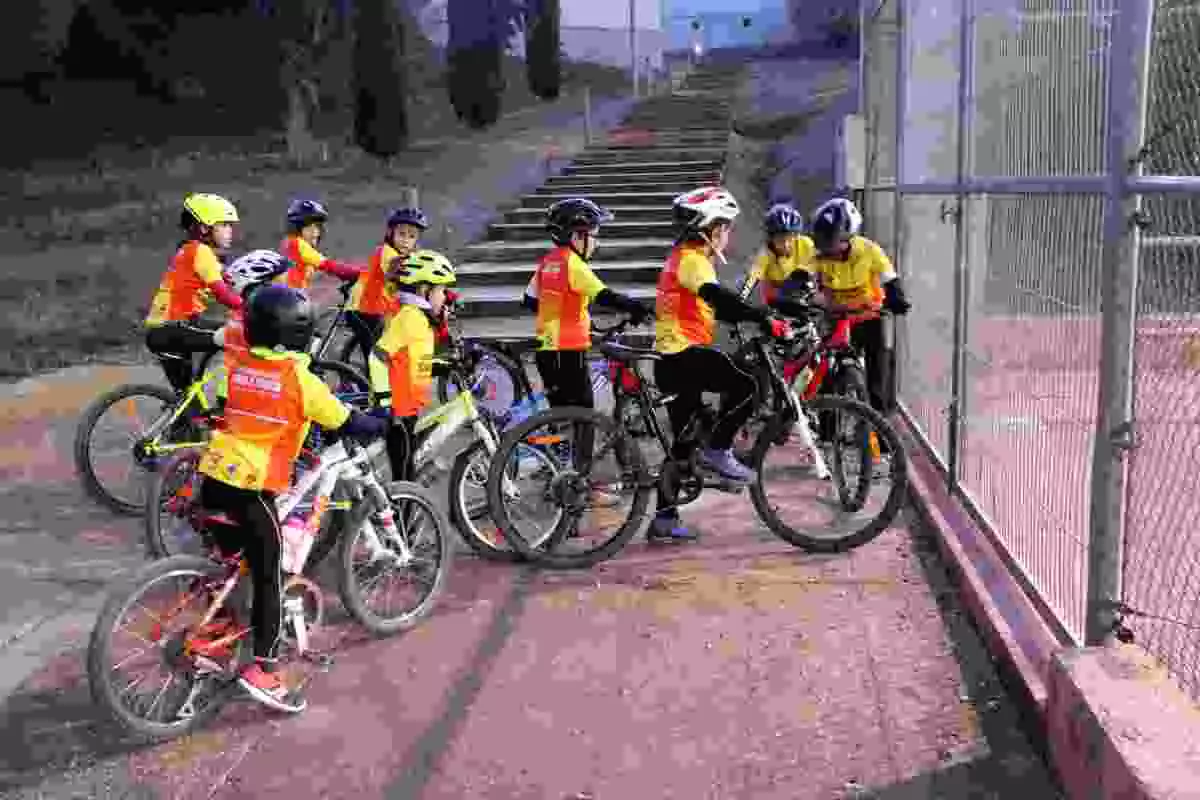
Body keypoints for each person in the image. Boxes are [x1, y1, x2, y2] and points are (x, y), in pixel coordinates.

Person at [194, 285, 387, 713]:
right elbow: (345, 420)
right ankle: (264, 671)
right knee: (268, 578)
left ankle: (212, 643)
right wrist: (380, 421)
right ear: (298, 333)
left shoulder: (239, 363)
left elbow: (223, 405)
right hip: (251, 487)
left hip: (212, 479)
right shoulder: (301, 381)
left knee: (231, 568)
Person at [650, 186, 790, 543]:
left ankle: (664, 519)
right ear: (709, 230)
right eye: (725, 227)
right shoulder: (693, 259)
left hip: (674, 356)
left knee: (683, 444)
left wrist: (746, 316)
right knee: (749, 384)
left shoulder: (686, 257)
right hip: (681, 355)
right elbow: (718, 298)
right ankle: (718, 450)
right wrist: (762, 319)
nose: (728, 234)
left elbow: (710, 304)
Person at [522, 198, 651, 415]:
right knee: (584, 415)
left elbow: (530, 300)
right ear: (576, 236)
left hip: (546, 350)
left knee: (560, 412)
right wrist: (638, 308)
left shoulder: (548, 262)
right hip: (569, 352)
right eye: (594, 236)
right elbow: (605, 296)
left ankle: (562, 447)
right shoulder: (574, 265)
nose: (596, 243)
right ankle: (580, 450)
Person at [805, 197, 911, 414]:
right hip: (835, 318)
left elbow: (889, 277)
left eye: (829, 240)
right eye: (820, 239)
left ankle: (883, 440)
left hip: (869, 317)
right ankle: (827, 434)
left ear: (847, 237)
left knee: (879, 377)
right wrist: (795, 290)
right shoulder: (817, 255)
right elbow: (802, 274)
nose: (823, 246)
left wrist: (896, 296)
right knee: (827, 374)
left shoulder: (869, 250)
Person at [368, 249, 457, 483]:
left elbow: (414, 360)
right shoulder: (410, 318)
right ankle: (400, 514)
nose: (445, 297)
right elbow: (377, 356)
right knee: (404, 473)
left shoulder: (422, 319)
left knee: (408, 467)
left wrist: (442, 366)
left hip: (409, 408)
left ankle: (404, 509)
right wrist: (385, 403)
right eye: (440, 290)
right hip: (398, 411)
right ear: (423, 290)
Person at [144, 193, 245, 394]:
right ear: (204, 228)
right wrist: (253, 307)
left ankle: (185, 422)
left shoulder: (193, 252)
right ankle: (227, 397)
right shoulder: (201, 252)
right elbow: (223, 295)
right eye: (224, 225)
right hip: (173, 327)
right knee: (240, 336)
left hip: (165, 329)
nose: (230, 231)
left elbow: (228, 281)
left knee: (188, 399)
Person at [345, 206, 429, 366]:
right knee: (376, 361)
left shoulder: (407, 256)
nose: (405, 239)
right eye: (401, 234)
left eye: (411, 236)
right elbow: (402, 273)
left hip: (379, 310)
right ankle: (368, 389)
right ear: (391, 233)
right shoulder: (386, 252)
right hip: (363, 311)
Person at [214, 249, 293, 404]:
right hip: (242, 395)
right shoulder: (249, 319)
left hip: (248, 389)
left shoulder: (252, 313)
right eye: (279, 283)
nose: (286, 289)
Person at [739, 202, 817, 307]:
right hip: (776, 299)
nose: (785, 244)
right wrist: (739, 302)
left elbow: (823, 267)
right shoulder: (765, 254)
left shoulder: (806, 244)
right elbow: (751, 281)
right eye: (780, 239)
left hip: (804, 292)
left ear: (797, 235)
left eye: (790, 238)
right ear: (771, 239)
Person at [278, 198, 364, 289]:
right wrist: (361, 273)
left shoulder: (287, 244)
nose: (315, 232)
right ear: (297, 228)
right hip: (291, 299)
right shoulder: (296, 244)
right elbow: (330, 266)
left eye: (317, 227)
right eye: (308, 227)